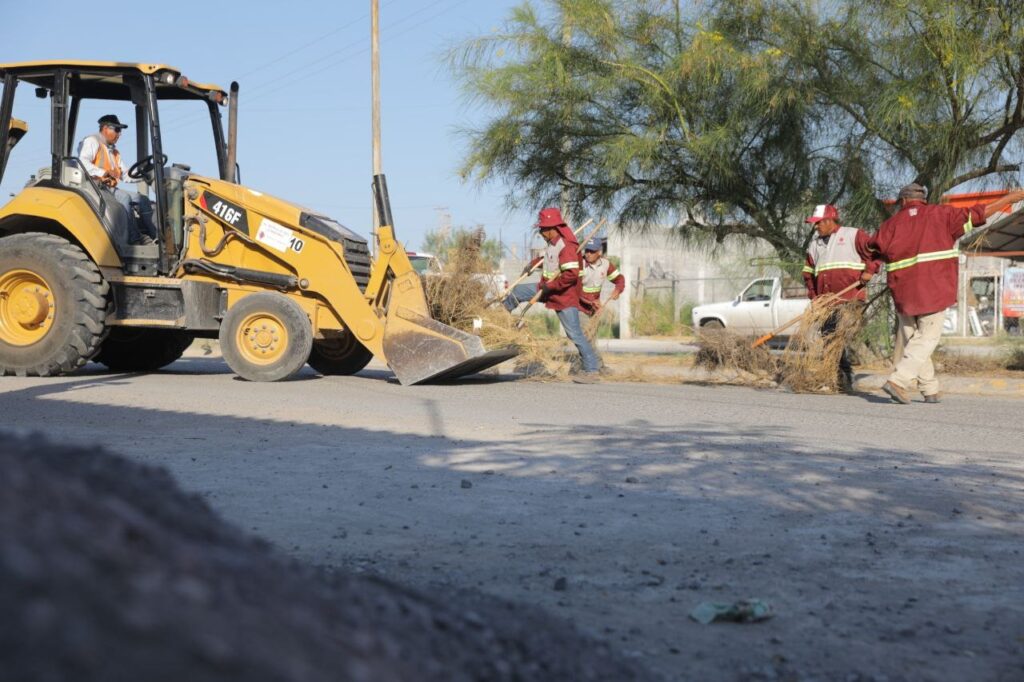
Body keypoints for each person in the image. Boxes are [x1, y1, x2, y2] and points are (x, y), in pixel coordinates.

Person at [869, 183, 1024, 404]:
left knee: (916, 339)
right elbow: (981, 213)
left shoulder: (889, 225)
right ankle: (898, 380)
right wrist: (1008, 199)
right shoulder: (942, 215)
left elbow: (872, 250)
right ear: (922, 199)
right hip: (933, 288)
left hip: (903, 291)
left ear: (902, 201)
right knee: (927, 338)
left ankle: (930, 388)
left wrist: (866, 275)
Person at [503, 208, 601, 383]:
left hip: (563, 295)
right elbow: (547, 260)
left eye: (542, 229)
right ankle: (502, 319)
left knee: (574, 334)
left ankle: (592, 370)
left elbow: (570, 274)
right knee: (516, 292)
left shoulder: (567, 246)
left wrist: (551, 286)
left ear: (552, 228)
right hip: (546, 288)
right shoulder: (553, 244)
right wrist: (532, 265)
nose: (540, 232)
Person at [801, 203, 879, 392]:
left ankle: (842, 375)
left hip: (850, 299)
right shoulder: (814, 245)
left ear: (829, 221)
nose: (815, 227)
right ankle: (839, 377)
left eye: (818, 223)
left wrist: (869, 271)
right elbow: (808, 273)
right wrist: (814, 297)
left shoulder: (853, 235)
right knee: (828, 338)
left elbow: (875, 253)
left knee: (839, 335)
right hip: (826, 303)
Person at [77, 114, 157, 245]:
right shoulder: (92, 141)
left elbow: (125, 175)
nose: (119, 134)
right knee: (125, 198)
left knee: (143, 200)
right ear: (105, 129)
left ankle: (155, 236)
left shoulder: (114, 152)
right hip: (95, 187)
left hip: (110, 189)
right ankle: (135, 238)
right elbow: (82, 162)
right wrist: (104, 172)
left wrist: (144, 174)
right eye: (117, 130)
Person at [578, 238, 625, 316]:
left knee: (592, 328)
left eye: (592, 251)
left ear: (599, 252)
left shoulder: (606, 264)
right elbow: (574, 290)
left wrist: (618, 290)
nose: (588, 254)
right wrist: (590, 302)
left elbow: (619, 279)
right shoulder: (580, 265)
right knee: (582, 327)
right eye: (587, 251)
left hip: (594, 309)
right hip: (579, 308)